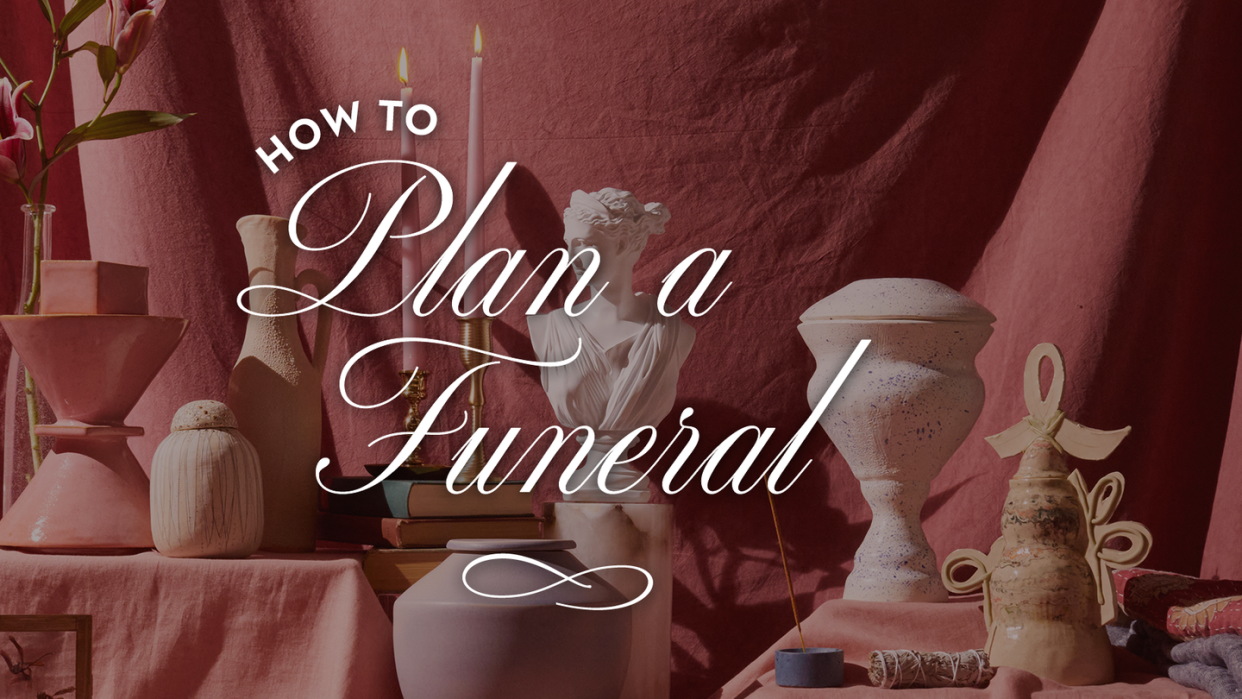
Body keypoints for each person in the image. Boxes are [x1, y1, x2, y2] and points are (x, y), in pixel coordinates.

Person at [527, 188, 695, 502]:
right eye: (569, 246)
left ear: (623, 244)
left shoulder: (671, 334)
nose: (572, 258)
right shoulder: (548, 330)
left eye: (585, 245)